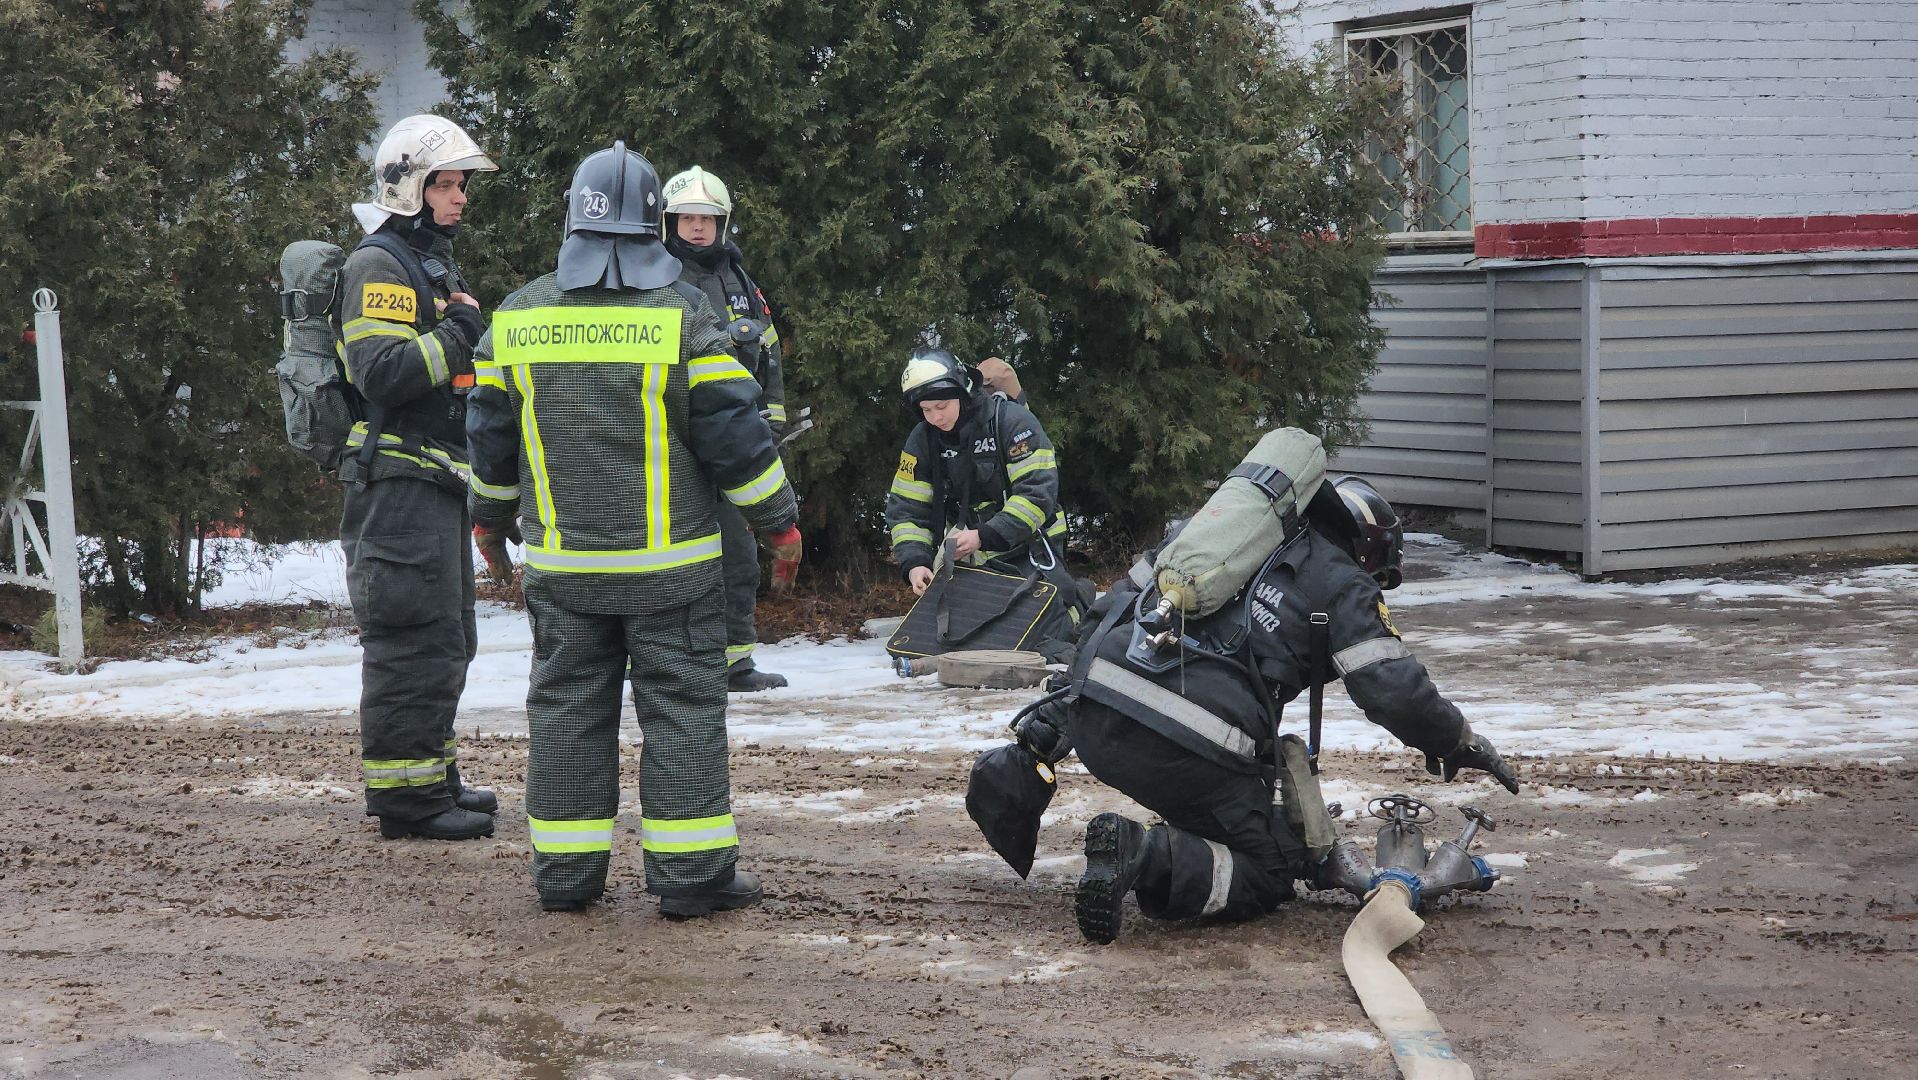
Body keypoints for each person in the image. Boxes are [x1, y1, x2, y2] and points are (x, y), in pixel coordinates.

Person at [465, 141, 802, 915]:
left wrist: (487, 525)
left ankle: (565, 878)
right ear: (654, 223)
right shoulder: (682, 315)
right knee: (682, 712)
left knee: (565, 715)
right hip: (672, 577)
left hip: (563, 573)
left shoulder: (516, 317)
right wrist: (779, 526)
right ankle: (690, 880)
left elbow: (489, 447)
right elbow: (736, 441)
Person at [1011, 475, 1522, 943]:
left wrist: (1062, 708)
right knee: (1270, 867)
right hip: (1184, 742)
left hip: (1097, 715)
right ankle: (1142, 855)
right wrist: (1456, 740)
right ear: (1369, 550)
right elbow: (1394, 690)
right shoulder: (1342, 582)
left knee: (1215, 800)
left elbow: (1115, 605)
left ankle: (1161, 842)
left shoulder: (1222, 534)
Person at [339, 114, 498, 841]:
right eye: (446, 183)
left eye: (462, 184)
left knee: (446, 638)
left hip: (432, 484)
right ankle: (405, 801)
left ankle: (434, 778)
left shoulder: (428, 263)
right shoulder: (379, 265)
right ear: (408, 186)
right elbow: (383, 373)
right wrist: (460, 331)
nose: (459, 197)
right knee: (409, 640)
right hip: (397, 487)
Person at [662, 165, 792, 692]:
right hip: (676, 447)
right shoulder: (656, 277)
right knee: (675, 565)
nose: (698, 228)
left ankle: (735, 663)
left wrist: (773, 422)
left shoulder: (741, 281)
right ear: (669, 223)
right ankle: (665, 664)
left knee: (738, 560)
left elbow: (770, 350)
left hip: (735, 443)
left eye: (708, 219)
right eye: (688, 218)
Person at [884, 348, 1067, 597]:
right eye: (926, 410)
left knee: (1037, 623)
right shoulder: (922, 440)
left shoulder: (1013, 423)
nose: (936, 417)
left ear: (963, 392)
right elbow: (907, 509)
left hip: (1030, 550)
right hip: (970, 562)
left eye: (941, 405)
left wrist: (985, 535)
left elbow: (1037, 494)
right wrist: (915, 562)